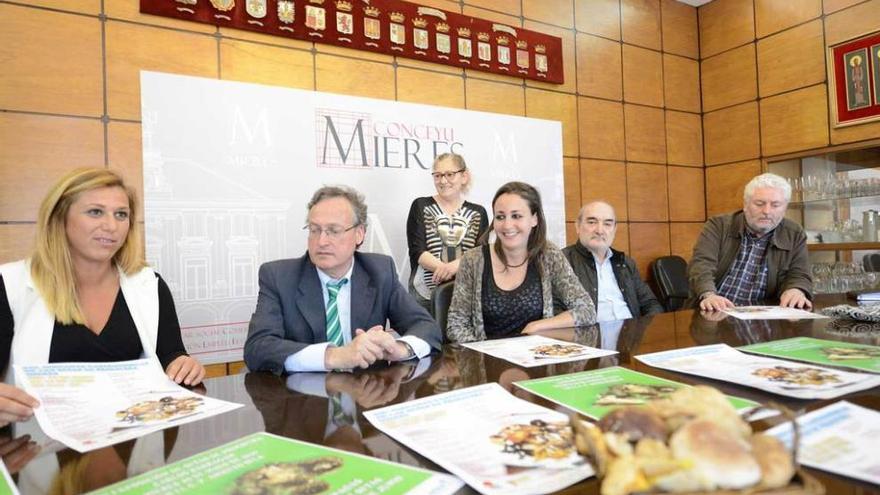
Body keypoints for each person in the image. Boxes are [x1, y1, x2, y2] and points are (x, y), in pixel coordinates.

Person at [0, 168, 205, 427]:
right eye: (95, 212)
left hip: (134, 442)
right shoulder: (9, 285)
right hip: (39, 451)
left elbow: (172, 358)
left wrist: (184, 365)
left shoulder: (149, 284)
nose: (111, 226)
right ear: (59, 218)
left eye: (121, 214)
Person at [244, 186, 442, 374]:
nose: (321, 241)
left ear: (359, 234)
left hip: (367, 396)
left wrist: (398, 349)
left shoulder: (380, 271)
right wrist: (335, 356)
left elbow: (427, 327)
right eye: (314, 230)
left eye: (334, 230)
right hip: (303, 400)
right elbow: (257, 349)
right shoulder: (278, 277)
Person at [446, 181, 596, 343]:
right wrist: (488, 352)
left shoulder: (549, 254)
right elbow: (456, 325)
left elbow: (586, 310)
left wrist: (538, 326)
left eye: (516, 216)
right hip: (487, 362)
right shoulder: (473, 260)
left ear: (534, 219)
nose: (507, 225)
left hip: (537, 360)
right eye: (500, 217)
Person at [688, 172, 812, 311]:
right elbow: (701, 265)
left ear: (785, 208)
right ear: (745, 204)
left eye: (775, 205)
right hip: (715, 312)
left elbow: (800, 273)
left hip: (763, 317)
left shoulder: (794, 233)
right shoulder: (719, 226)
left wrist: (796, 290)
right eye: (759, 204)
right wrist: (709, 294)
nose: (766, 211)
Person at [406, 153, 488, 311]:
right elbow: (417, 251)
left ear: (464, 176)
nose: (443, 181)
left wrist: (454, 267)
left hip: (467, 293)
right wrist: (446, 270)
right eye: (437, 176)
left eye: (449, 174)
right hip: (425, 295)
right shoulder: (420, 205)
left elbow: (480, 253)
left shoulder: (478, 212)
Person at [562, 201, 663, 321]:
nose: (600, 230)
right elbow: (554, 310)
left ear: (614, 229)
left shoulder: (625, 263)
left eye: (607, 224)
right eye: (592, 222)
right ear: (578, 226)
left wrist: (642, 332)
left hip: (631, 334)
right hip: (590, 336)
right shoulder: (562, 261)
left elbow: (651, 304)